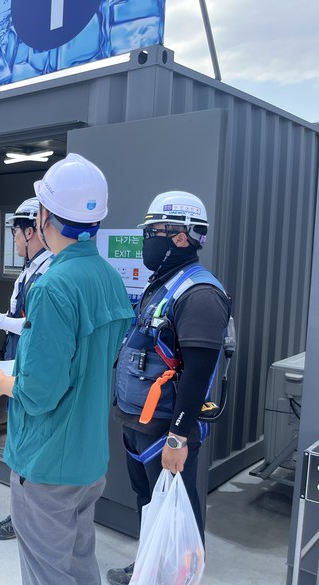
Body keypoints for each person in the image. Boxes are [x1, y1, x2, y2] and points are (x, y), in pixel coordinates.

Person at [0, 154, 133, 584]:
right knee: (79, 564)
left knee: (47, 573)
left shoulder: (53, 287)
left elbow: (39, 391)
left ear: (45, 216)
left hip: (47, 463)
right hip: (88, 459)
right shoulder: (109, 278)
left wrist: (2, 382)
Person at [106, 191, 232, 585]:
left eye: (153, 233)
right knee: (149, 499)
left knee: (177, 508)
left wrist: (179, 436)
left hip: (166, 430)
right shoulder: (164, 284)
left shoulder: (200, 295)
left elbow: (198, 374)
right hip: (140, 422)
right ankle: (149, 567)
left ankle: (179, 576)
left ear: (181, 236)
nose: (147, 241)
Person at [0, 196, 53, 541]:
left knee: (30, 442)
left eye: (16, 233)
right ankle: (21, 514)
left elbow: (38, 326)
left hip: (31, 369)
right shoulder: (30, 270)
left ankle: (28, 519)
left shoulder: (49, 272)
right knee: (19, 439)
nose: (15, 240)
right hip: (17, 361)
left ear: (30, 231)